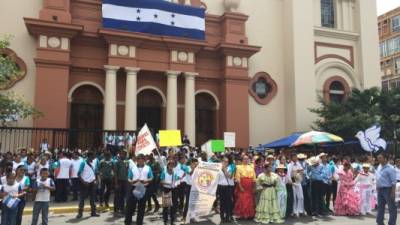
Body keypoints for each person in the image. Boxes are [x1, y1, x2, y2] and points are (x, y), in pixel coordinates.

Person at [125, 154, 153, 225]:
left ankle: (139, 223)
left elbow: (151, 177)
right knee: (130, 208)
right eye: (138, 159)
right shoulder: (133, 168)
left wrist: (147, 180)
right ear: (136, 160)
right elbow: (129, 178)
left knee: (141, 209)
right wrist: (132, 181)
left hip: (143, 189)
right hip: (134, 188)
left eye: (142, 159)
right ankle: (128, 222)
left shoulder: (148, 168)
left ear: (144, 160)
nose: (140, 161)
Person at [76, 152, 99, 219]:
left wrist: (96, 180)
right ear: (90, 156)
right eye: (93, 156)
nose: (94, 158)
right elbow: (78, 174)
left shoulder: (93, 163)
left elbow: (95, 172)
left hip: (92, 183)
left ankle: (93, 212)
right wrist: (83, 182)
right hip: (84, 184)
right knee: (82, 199)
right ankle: (80, 213)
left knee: (93, 199)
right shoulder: (83, 163)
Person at [376, 154, 397, 225]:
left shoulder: (390, 168)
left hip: (388, 189)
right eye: (378, 158)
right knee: (380, 207)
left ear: (385, 158)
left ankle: (391, 223)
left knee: (391, 208)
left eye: (380, 158)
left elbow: (394, 181)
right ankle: (379, 222)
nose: (378, 159)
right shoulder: (379, 166)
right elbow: (378, 177)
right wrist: (377, 186)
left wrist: (393, 192)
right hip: (380, 189)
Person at [234, 154, 256, 219]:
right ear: (242, 160)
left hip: (250, 185)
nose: (246, 160)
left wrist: (254, 187)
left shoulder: (251, 167)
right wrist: (240, 187)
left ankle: (249, 214)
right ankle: (242, 214)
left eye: (247, 159)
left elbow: (254, 178)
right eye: (244, 159)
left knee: (250, 200)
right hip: (242, 184)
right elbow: (237, 178)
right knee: (242, 199)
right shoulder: (238, 167)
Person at [160, 160, 179, 225]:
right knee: (166, 206)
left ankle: (172, 221)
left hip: (173, 190)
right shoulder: (164, 172)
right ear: (168, 165)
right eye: (170, 164)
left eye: (173, 164)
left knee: (173, 206)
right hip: (166, 190)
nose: (171, 166)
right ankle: (165, 221)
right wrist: (168, 183)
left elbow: (177, 180)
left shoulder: (175, 172)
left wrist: (176, 182)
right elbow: (161, 181)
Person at [217, 156, 235, 223]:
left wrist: (224, 170)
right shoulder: (218, 168)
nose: (225, 162)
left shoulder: (231, 167)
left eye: (227, 161)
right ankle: (222, 217)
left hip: (228, 187)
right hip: (221, 187)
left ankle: (228, 217)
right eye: (224, 161)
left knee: (228, 203)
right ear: (222, 161)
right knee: (222, 203)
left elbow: (230, 177)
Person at [113, 150, 129, 215]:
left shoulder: (127, 161)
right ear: (119, 154)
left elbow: (127, 170)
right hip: (119, 181)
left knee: (123, 196)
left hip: (125, 181)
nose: (123, 155)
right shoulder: (117, 162)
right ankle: (116, 210)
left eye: (124, 154)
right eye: (122, 154)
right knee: (117, 196)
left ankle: (122, 209)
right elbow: (115, 173)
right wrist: (116, 183)